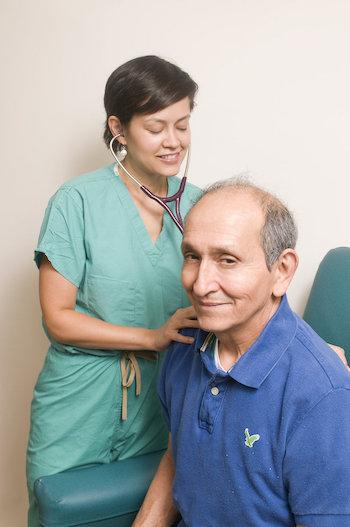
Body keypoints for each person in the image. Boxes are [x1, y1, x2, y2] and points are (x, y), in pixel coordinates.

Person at [26, 55, 201, 526]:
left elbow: (247, 287)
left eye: (182, 125)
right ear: (118, 129)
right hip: (80, 399)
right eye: (157, 126)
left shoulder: (200, 205)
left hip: (165, 399)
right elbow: (58, 318)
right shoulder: (76, 201)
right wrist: (151, 338)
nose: (173, 141)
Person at [134, 179, 350, 527]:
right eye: (192, 256)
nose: (200, 284)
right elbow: (178, 457)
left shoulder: (323, 396)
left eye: (228, 260)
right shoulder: (185, 343)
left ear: (282, 271)